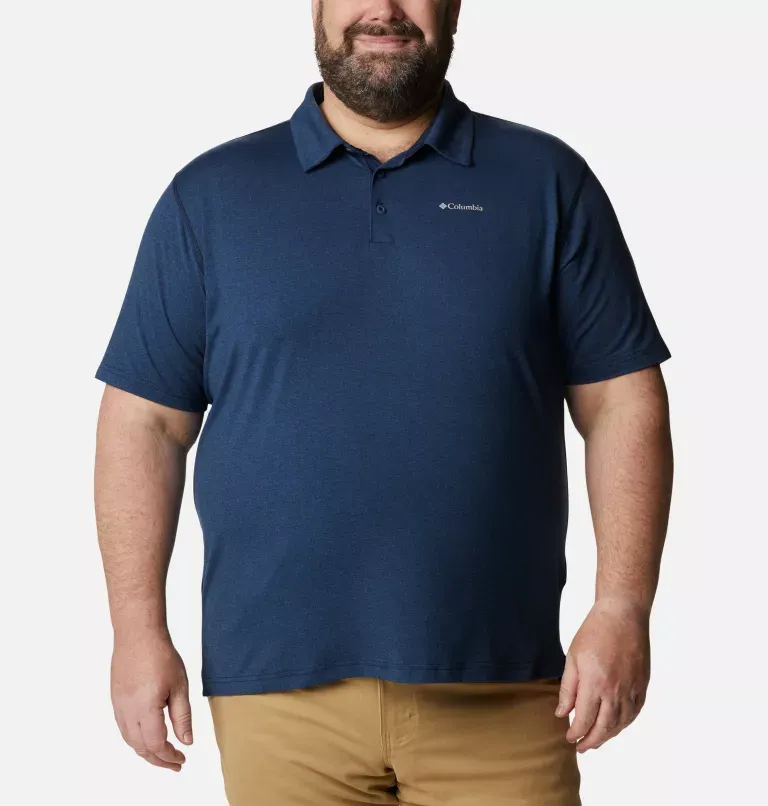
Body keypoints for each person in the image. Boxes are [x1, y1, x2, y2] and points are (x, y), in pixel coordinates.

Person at [93, 1, 673, 803]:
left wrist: (622, 608)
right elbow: (146, 423)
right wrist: (136, 632)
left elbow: (622, 402)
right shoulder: (211, 197)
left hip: (505, 684)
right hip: (278, 692)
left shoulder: (546, 181)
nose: (385, 10)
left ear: (454, 7)